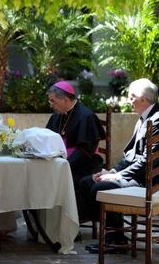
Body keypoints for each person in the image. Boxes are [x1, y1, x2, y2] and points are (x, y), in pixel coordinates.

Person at [80, 78, 159, 253]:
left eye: (131, 97)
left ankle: (115, 239)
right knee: (87, 182)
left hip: (153, 182)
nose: (129, 101)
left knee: (100, 187)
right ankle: (115, 236)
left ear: (143, 99)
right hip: (141, 175)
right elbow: (131, 156)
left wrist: (116, 177)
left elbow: (148, 161)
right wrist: (113, 171)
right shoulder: (145, 118)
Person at [45, 80, 106, 221]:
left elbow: (86, 151)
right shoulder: (56, 117)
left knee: (65, 181)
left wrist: (65, 164)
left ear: (65, 99)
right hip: (60, 162)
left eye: (53, 101)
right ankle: (47, 224)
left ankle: (69, 223)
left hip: (83, 165)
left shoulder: (86, 116)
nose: (51, 105)